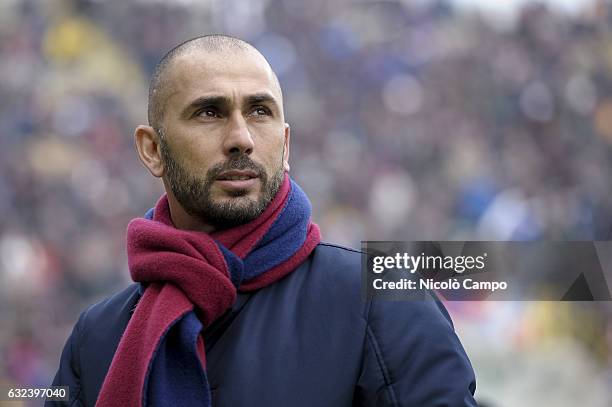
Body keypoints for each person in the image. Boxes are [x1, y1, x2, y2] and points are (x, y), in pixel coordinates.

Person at [48, 34, 477, 407]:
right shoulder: (98, 338)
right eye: (209, 113)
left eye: (259, 111)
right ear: (152, 150)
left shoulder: (382, 301)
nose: (241, 138)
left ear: (286, 145)